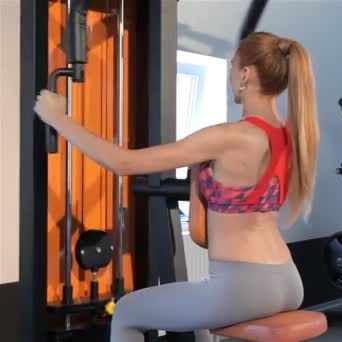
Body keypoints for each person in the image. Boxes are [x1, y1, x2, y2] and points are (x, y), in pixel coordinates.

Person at [34, 31, 320, 342]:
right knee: (193, 303)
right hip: (287, 279)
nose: (230, 75)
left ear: (246, 74)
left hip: (243, 285)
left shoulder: (231, 137)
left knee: (127, 312)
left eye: (232, 67)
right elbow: (207, 231)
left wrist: (58, 118)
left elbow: (124, 163)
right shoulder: (291, 136)